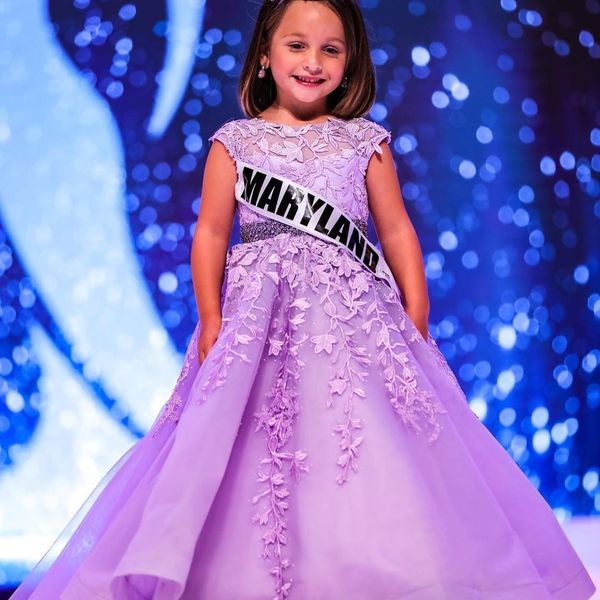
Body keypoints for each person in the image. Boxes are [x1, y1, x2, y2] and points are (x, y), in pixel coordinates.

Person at [11, 0, 597, 598]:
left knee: (359, 436)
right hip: (256, 322)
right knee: (247, 442)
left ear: (351, 63)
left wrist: (415, 309)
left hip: (355, 319)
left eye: (330, 49)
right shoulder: (235, 143)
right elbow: (211, 233)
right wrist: (212, 316)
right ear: (265, 54)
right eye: (297, 45)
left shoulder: (364, 142)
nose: (312, 62)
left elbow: (395, 230)